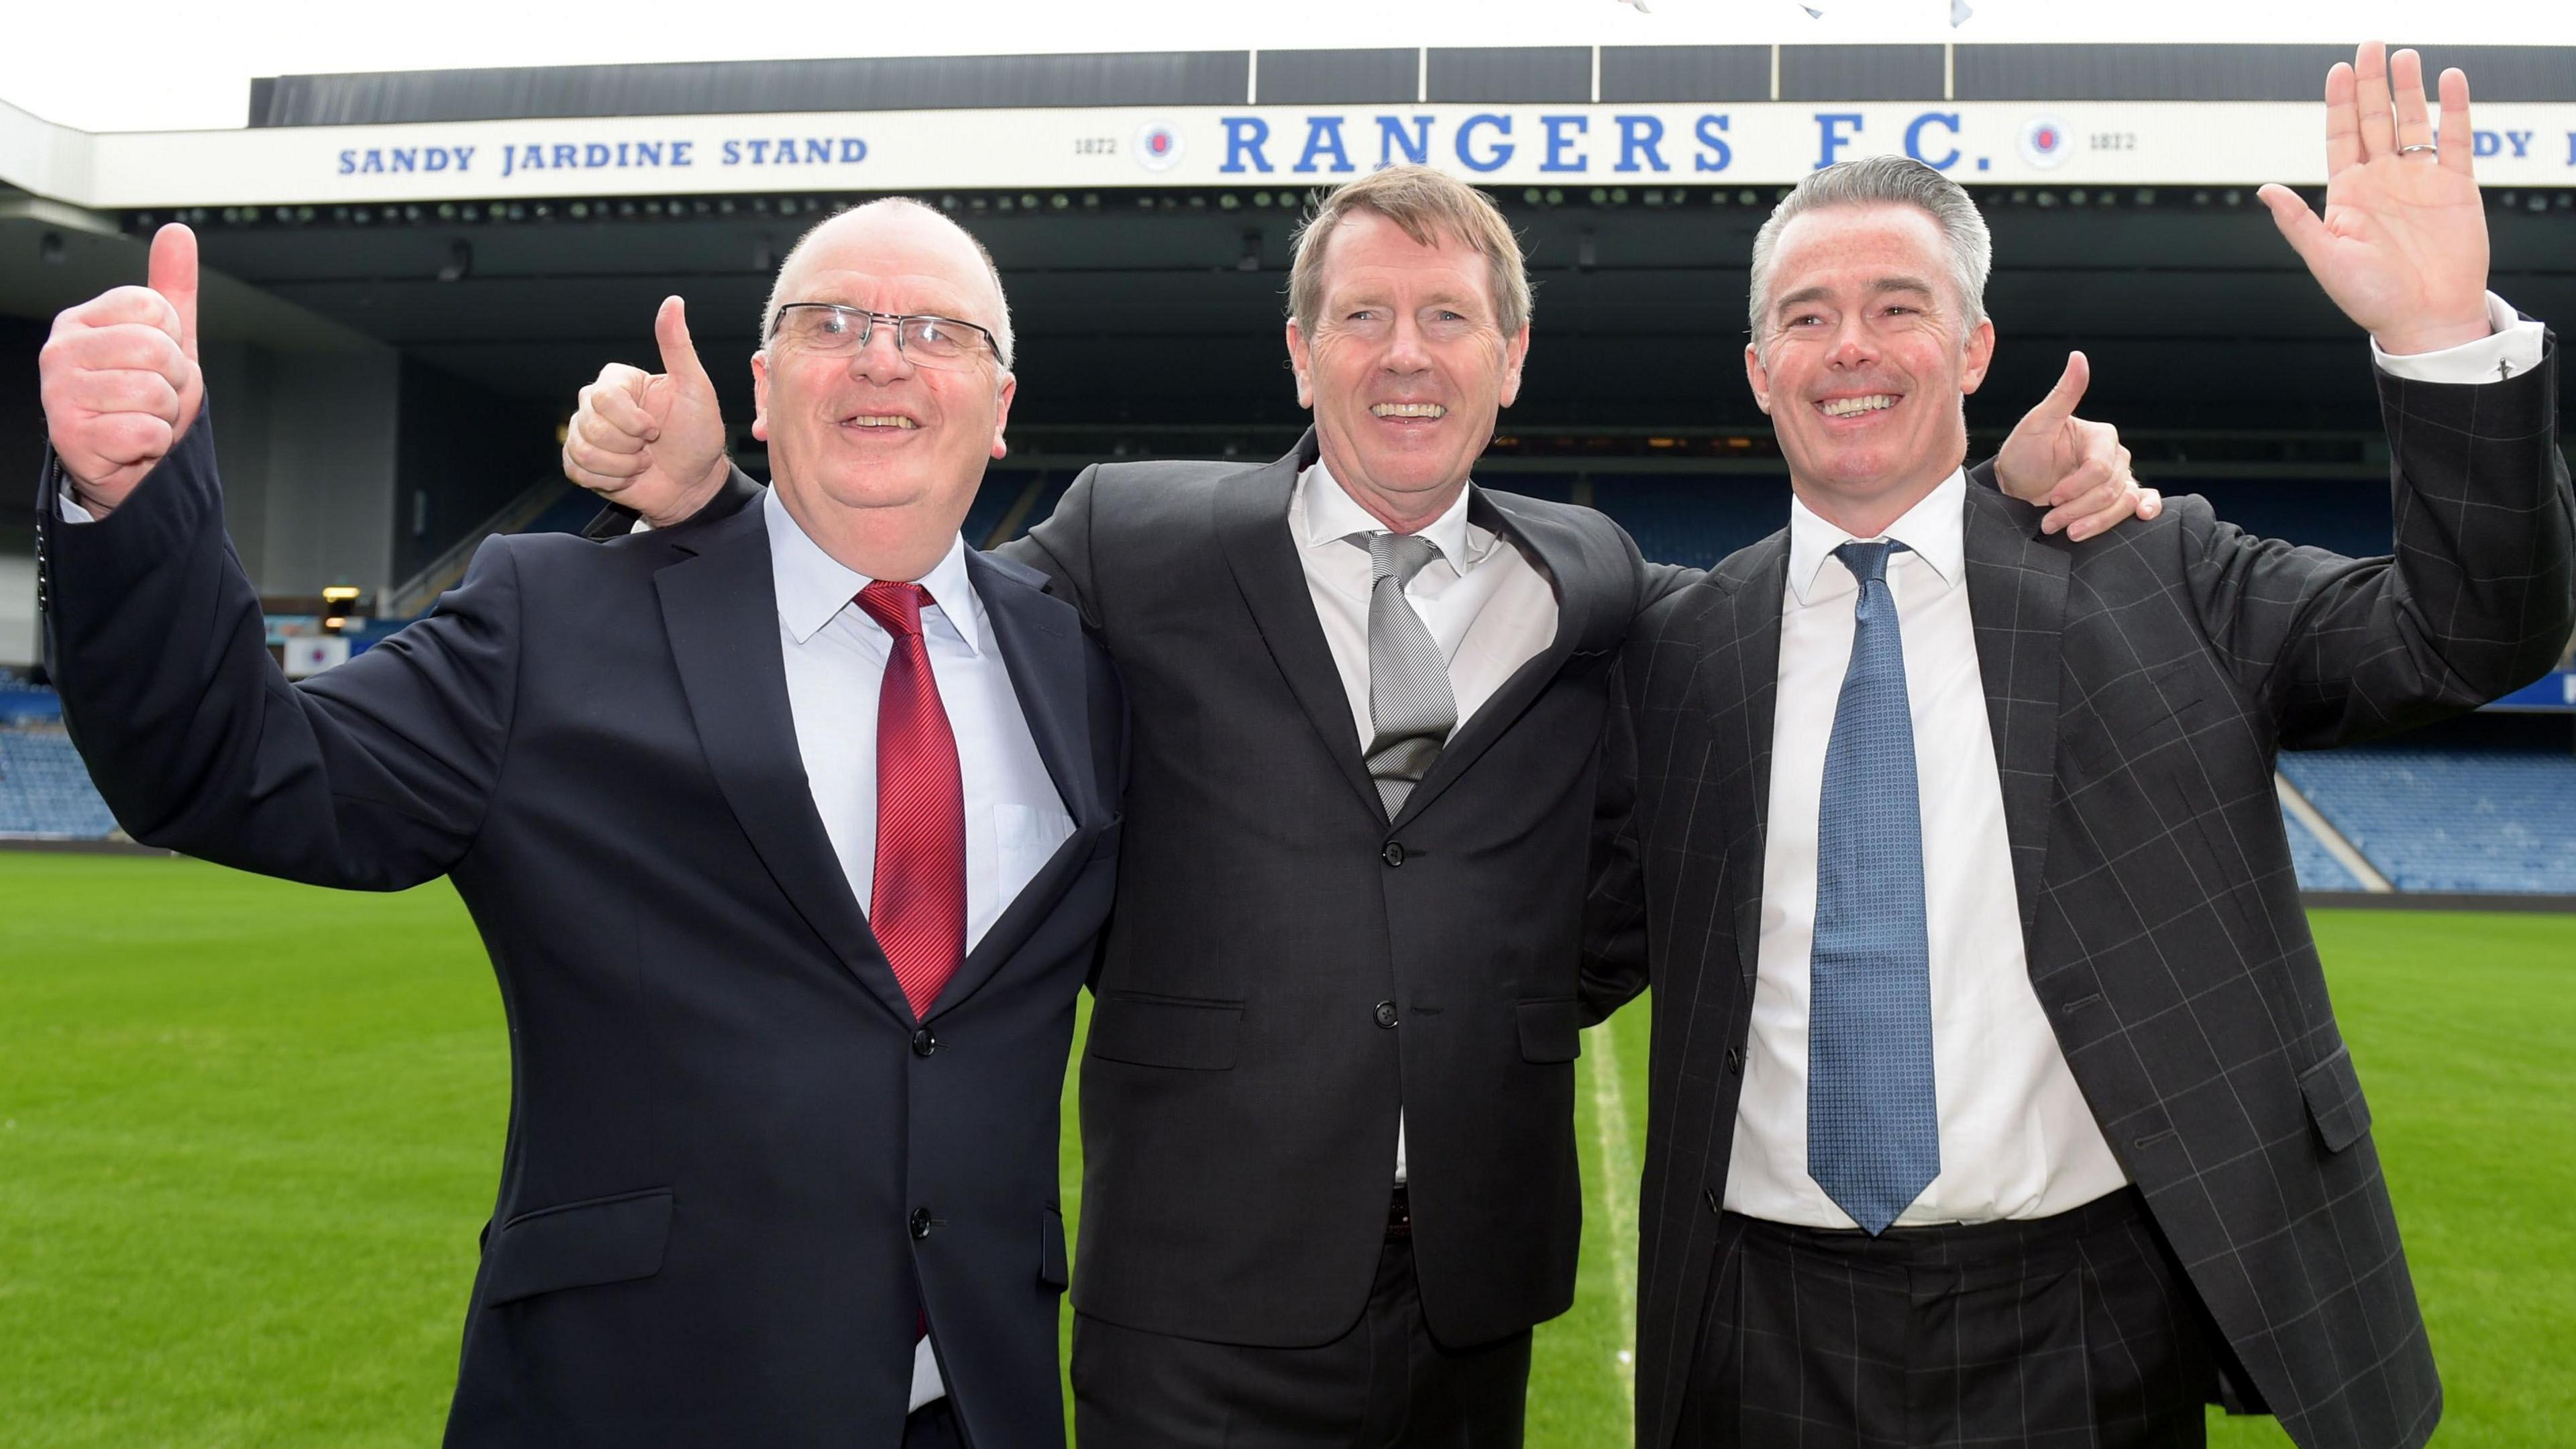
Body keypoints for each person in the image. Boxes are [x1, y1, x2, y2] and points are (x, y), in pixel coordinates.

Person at [564, 164, 2153, 1445]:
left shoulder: (1594, 580)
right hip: (1195, 1288)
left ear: (1510, 356)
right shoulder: (1136, 536)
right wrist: (719, 498)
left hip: (1470, 1293)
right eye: (1367, 316)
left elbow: (1784, 651)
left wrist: (2026, 502)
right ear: (1302, 349)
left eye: (1450, 317)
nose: (1408, 355)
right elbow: (913, 614)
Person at [1584, 43, 2573, 1449]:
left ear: (1976, 347)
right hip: (1762, 1326)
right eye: (1807, 317)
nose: (1849, 346)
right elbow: (1568, 931)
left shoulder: (2155, 569)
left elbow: (2471, 637)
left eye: (1896, 307)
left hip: (2086, 1319)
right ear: (1759, 369)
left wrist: (2438, 336)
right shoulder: (1681, 647)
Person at [32, 199, 1124, 1448]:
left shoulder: (1082, 666)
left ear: (1002, 407)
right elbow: (227, 762)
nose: (882, 355)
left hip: (981, 1411)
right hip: (630, 1403)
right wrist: (128, 495)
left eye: (936, 330)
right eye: (833, 323)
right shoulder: (554, 619)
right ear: (760, 391)